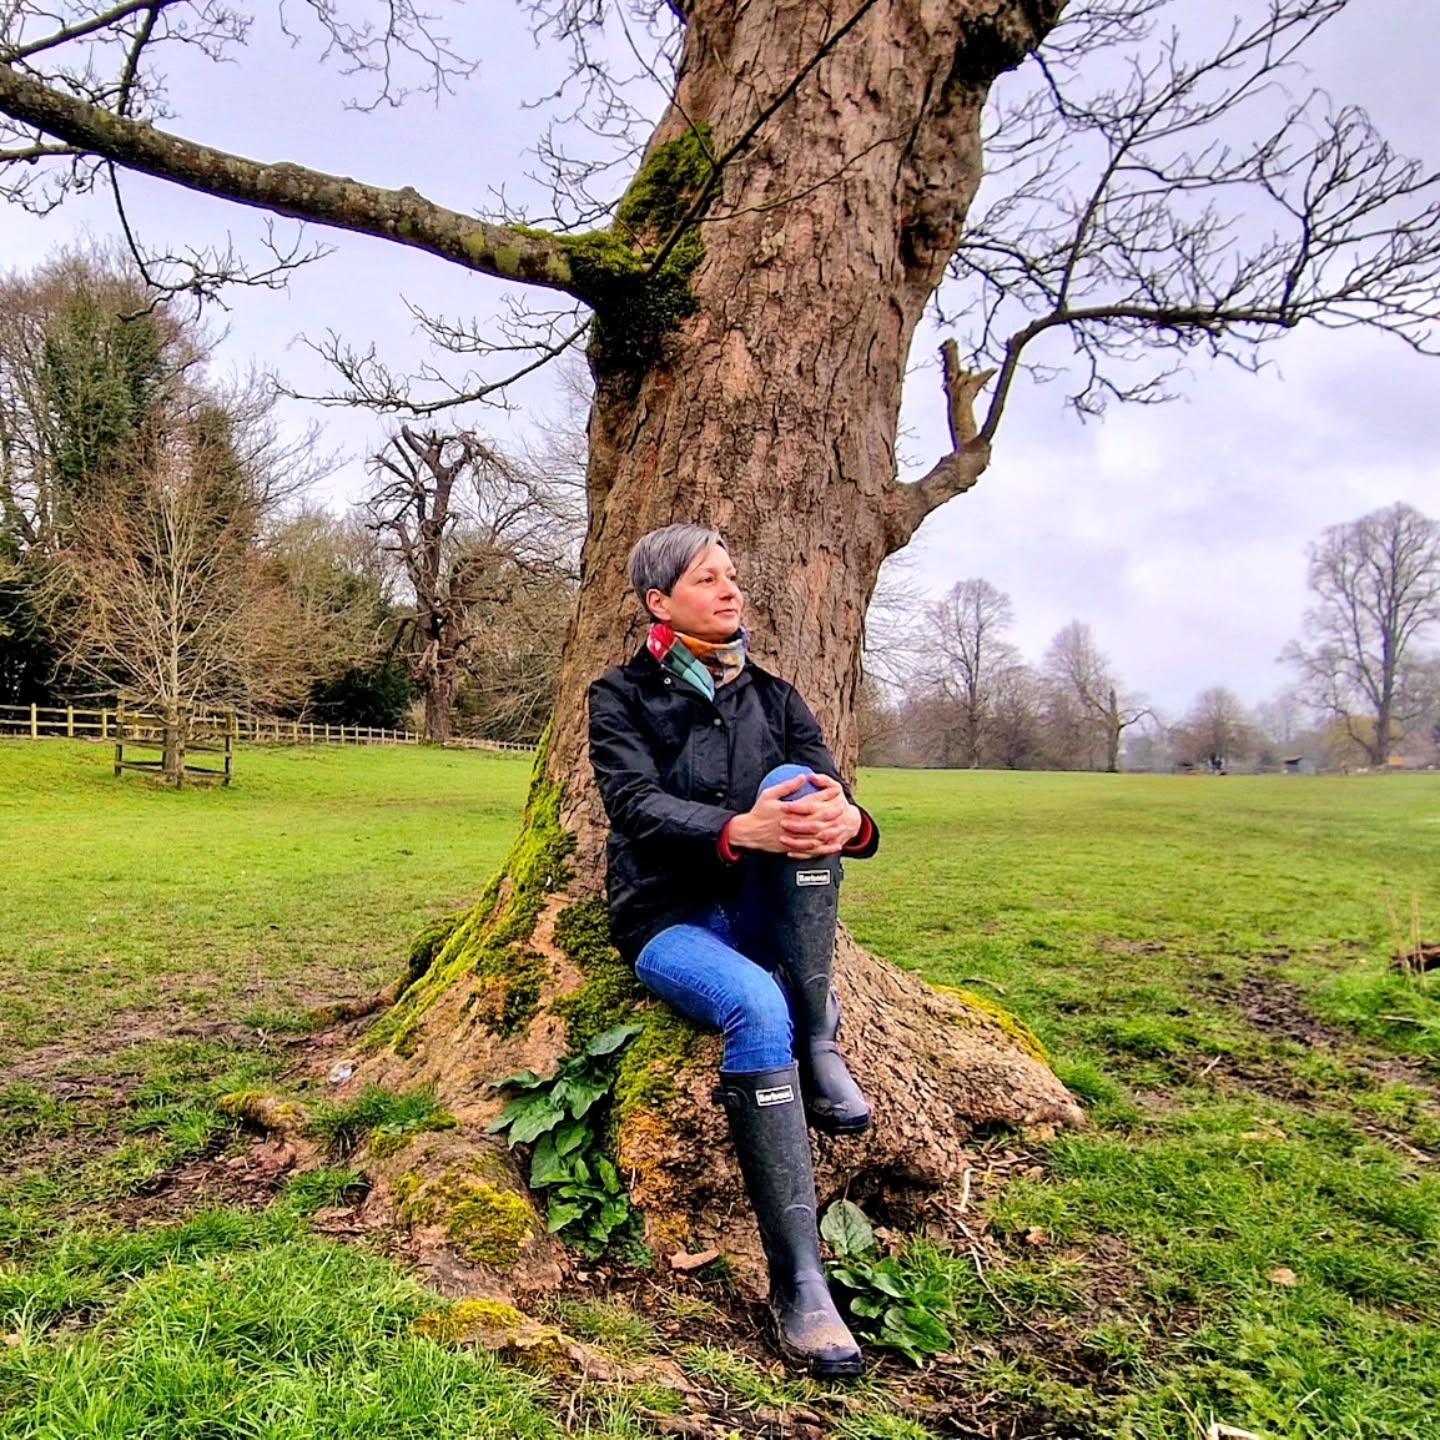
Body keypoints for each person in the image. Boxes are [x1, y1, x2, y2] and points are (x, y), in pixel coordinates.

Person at [587, 523, 881, 1378]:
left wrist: (850, 822)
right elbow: (632, 804)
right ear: (659, 601)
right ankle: (802, 1285)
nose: (731, 591)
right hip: (666, 918)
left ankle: (819, 1045)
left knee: (803, 789)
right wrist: (734, 828)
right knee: (757, 1006)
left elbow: (834, 795)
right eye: (708, 579)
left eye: (732, 577)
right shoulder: (622, 696)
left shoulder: (779, 698)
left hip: (764, 911)